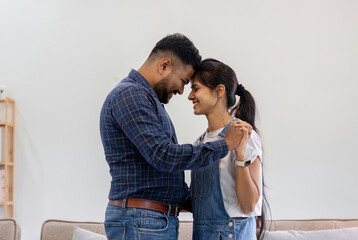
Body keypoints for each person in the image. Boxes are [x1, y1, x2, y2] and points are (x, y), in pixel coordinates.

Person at [99, 34, 252, 240]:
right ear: (164, 65)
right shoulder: (130, 95)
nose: (182, 91)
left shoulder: (146, 100)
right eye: (183, 81)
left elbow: (161, 175)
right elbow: (163, 155)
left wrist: (217, 206)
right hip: (142, 220)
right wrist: (224, 144)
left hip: (147, 220)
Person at [188, 58, 268, 240]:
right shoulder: (199, 143)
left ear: (219, 91)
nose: (190, 96)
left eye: (196, 89)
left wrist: (240, 154)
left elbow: (248, 205)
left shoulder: (243, 134)